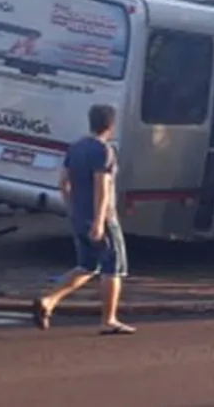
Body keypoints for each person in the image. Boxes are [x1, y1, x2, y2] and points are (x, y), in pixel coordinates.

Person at [32, 104, 135, 335]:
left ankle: (49, 301)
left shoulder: (76, 148)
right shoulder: (104, 151)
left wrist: (73, 207)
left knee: (87, 266)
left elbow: (63, 183)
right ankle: (109, 319)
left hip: (79, 215)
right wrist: (99, 221)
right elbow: (102, 187)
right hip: (103, 218)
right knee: (114, 268)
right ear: (111, 125)